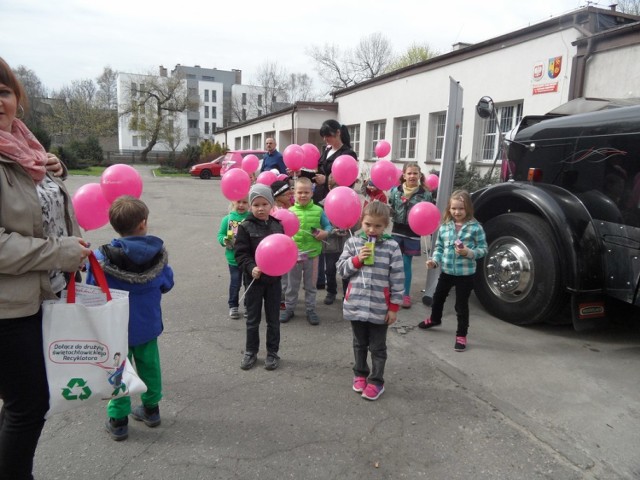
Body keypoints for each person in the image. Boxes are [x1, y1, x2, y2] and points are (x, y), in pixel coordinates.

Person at [0, 57, 92, 479]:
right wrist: (60, 252)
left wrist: (56, 171)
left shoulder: (26, 148)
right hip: (9, 309)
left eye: (3, 92)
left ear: (17, 98)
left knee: (19, 402)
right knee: (28, 405)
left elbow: (37, 207)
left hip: (44, 296)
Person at [87, 196, 174, 441]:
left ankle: (118, 420)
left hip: (115, 329)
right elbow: (167, 283)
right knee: (150, 366)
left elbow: (93, 289)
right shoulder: (158, 255)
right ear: (143, 223)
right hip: (147, 325)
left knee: (117, 371)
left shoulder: (101, 258)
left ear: (114, 225)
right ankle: (151, 409)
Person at [337, 201, 404, 401]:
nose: (372, 230)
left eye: (378, 226)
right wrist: (356, 260)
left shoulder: (392, 247)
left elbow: (398, 278)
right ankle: (360, 373)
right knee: (359, 343)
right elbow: (341, 269)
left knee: (377, 346)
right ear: (361, 222)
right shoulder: (353, 243)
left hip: (379, 307)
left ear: (386, 226)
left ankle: (376, 381)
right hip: (356, 304)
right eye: (368, 225)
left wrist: (393, 307)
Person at [417, 190, 487, 352]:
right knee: (438, 297)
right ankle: (435, 319)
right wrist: (434, 261)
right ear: (449, 208)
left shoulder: (475, 228)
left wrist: (469, 253)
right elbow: (439, 248)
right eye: (454, 208)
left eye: (461, 209)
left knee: (461, 305)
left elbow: (483, 249)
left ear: (468, 208)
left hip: (465, 274)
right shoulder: (445, 227)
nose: (457, 212)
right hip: (447, 271)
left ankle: (461, 334)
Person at [234, 184, 285, 370]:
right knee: (252, 319)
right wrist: (250, 267)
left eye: (265, 204)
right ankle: (250, 352)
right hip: (254, 281)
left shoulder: (277, 225)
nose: (261, 208)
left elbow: (283, 250)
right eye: (256, 205)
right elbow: (240, 254)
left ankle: (272, 353)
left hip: (274, 282)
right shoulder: (245, 227)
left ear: (271, 205)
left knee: (273, 320)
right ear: (250, 206)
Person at [313, 120, 358, 290]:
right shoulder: (326, 150)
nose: (325, 139)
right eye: (323, 137)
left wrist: (325, 180)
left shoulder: (348, 154)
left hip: (339, 203)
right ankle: (323, 278)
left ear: (338, 132)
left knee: (338, 243)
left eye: (328, 136)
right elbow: (321, 170)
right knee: (323, 239)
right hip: (322, 198)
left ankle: (344, 282)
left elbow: (348, 180)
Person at [280, 177, 331, 325]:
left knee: (311, 285)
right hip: (293, 256)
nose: (303, 195)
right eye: (300, 192)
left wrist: (325, 233)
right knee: (292, 285)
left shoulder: (319, 210)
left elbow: (328, 226)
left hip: (313, 254)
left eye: (306, 192)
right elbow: (281, 231)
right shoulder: (289, 212)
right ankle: (289, 308)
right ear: (293, 193)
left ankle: (310, 309)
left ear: (312, 193)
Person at [388, 162, 432, 308]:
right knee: (394, 264)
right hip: (397, 231)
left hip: (413, 234)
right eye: (409, 173)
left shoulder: (425, 194)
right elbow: (391, 209)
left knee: (406, 264)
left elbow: (428, 214)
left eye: (415, 173)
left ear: (420, 175)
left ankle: (405, 295)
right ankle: (392, 292)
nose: (412, 176)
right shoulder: (395, 191)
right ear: (404, 175)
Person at [321, 174, 353, 305]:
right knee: (329, 270)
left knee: (346, 270)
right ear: (329, 188)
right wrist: (332, 232)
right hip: (330, 244)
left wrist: (349, 226)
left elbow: (356, 222)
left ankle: (347, 293)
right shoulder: (322, 206)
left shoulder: (350, 203)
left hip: (346, 244)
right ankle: (331, 291)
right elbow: (319, 227)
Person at [217, 196, 250, 319]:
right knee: (235, 284)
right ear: (233, 202)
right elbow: (220, 235)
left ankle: (248, 305)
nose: (241, 205)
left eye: (245, 202)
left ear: (249, 204)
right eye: (238, 202)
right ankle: (233, 305)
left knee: (248, 283)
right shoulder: (227, 219)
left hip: (248, 259)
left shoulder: (251, 219)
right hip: (233, 259)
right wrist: (224, 240)